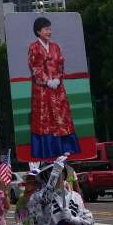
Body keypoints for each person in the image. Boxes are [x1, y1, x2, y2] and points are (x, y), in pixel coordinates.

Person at [28, 17, 81, 157]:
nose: (49, 31)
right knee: (44, 117)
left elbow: (61, 63)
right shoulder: (34, 47)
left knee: (62, 115)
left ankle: (66, 146)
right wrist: (46, 81)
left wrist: (57, 78)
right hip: (42, 90)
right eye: (46, 29)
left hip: (57, 87)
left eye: (49, 29)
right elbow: (34, 67)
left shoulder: (55, 47)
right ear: (38, 31)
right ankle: (48, 149)